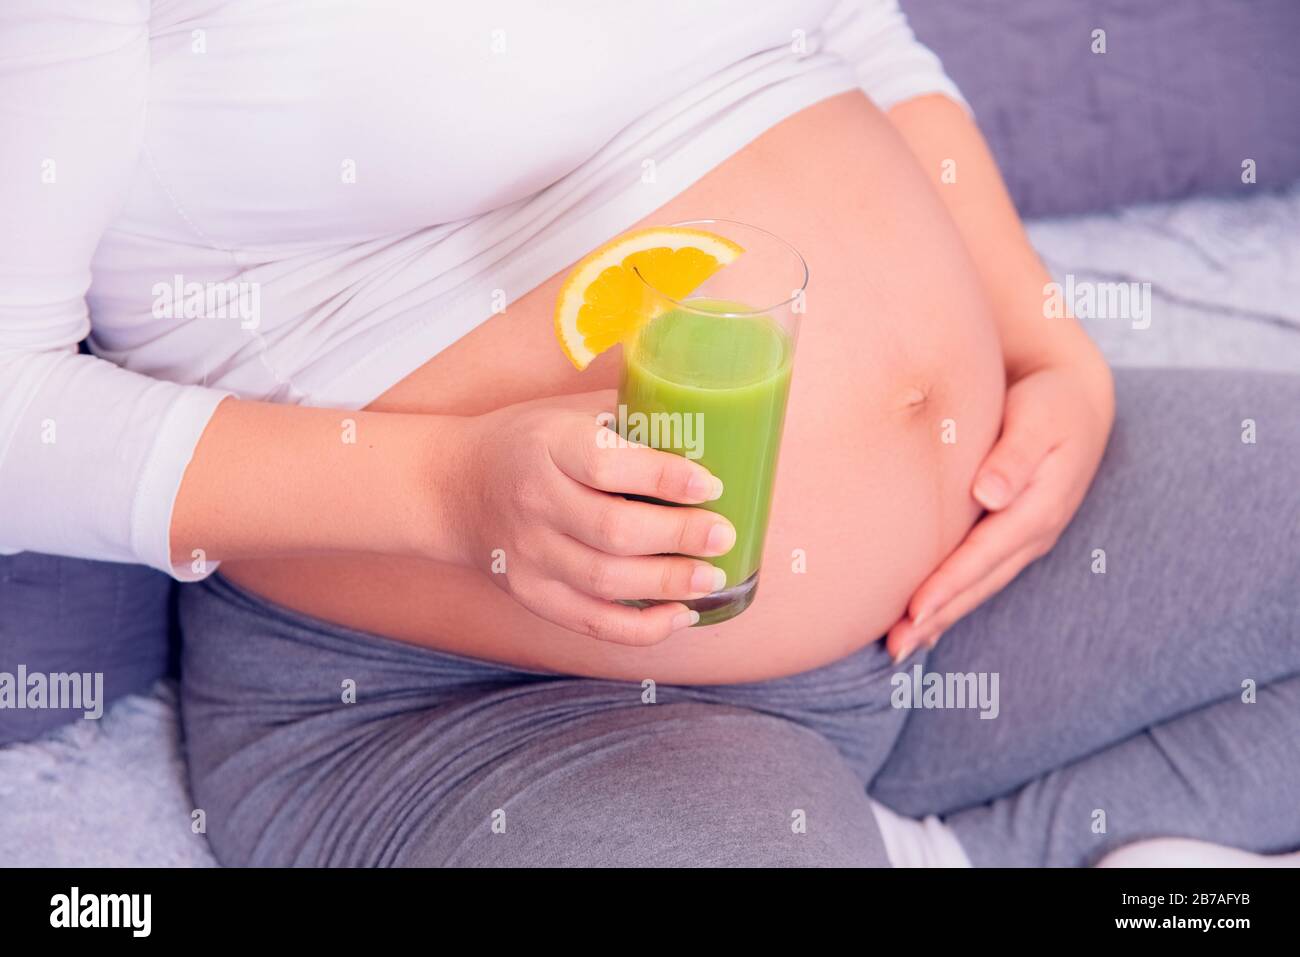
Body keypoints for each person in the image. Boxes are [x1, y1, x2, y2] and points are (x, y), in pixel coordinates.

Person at [3, 0, 1297, 866]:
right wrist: (451, 491)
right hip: (480, 702)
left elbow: (844, 28)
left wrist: (1044, 340)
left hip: (960, 574)